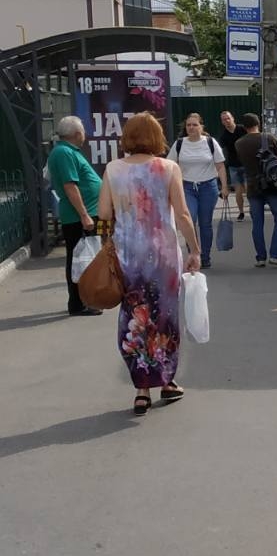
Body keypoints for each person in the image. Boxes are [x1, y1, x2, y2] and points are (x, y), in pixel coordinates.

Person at [97, 113, 202, 416]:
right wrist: (195, 249)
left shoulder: (113, 169)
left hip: (128, 255)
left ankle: (142, 389)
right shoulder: (168, 168)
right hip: (164, 255)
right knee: (165, 318)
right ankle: (167, 381)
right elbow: (182, 214)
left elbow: (104, 211)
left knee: (134, 317)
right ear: (157, 137)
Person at [46, 115, 103, 316]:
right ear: (77, 133)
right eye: (83, 131)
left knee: (88, 258)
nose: (85, 135)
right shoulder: (63, 153)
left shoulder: (67, 151)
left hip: (86, 214)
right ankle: (78, 303)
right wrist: (84, 215)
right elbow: (70, 186)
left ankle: (86, 299)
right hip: (79, 217)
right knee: (80, 260)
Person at [167, 113, 229, 269]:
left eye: (195, 125)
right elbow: (170, 165)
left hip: (208, 186)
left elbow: (220, 165)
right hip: (187, 187)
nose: (191, 128)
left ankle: (205, 256)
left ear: (201, 127)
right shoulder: (180, 144)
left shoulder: (210, 142)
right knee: (190, 219)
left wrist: (225, 186)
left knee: (205, 223)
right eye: (188, 125)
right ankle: (193, 253)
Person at [235, 113, 277, 267]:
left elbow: (242, 163)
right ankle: (275, 254)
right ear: (258, 123)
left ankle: (260, 257)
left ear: (244, 126)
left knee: (257, 223)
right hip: (271, 186)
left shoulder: (239, 143)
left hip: (253, 186)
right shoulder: (269, 139)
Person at [217, 111, 248, 221]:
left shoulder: (242, 129)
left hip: (246, 164)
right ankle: (241, 212)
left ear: (233, 118)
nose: (227, 121)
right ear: (222, 122)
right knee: (238, 191)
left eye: (228, 118)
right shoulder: (224, 135)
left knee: (248, 188)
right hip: (233, 166)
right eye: (224, 119)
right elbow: (219, 150)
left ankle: (254, 209)